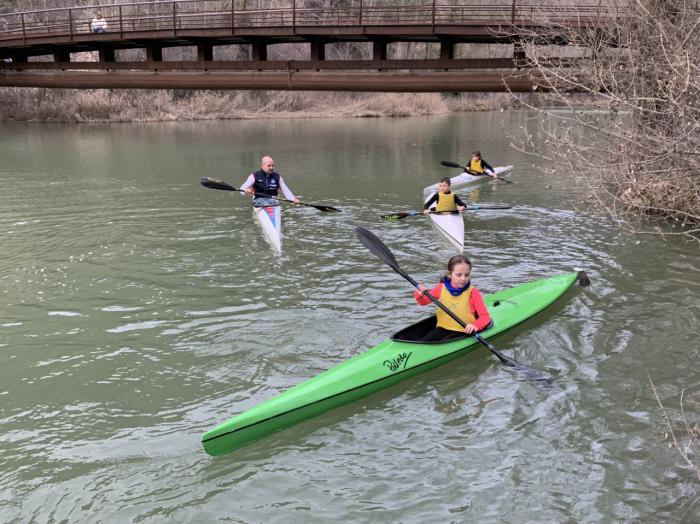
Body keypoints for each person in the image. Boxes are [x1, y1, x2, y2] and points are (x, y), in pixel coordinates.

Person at [414, 254, 492, 342]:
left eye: (466, 275)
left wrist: (475, 326)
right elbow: (423, 302)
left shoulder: (473, 292)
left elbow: (485, 317)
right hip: (443, 328)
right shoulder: (440, 288)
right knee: (425, 341)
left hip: (464, 331)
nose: (463, 279)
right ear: (450, 274)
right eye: (459, 275)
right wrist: (419, 293)